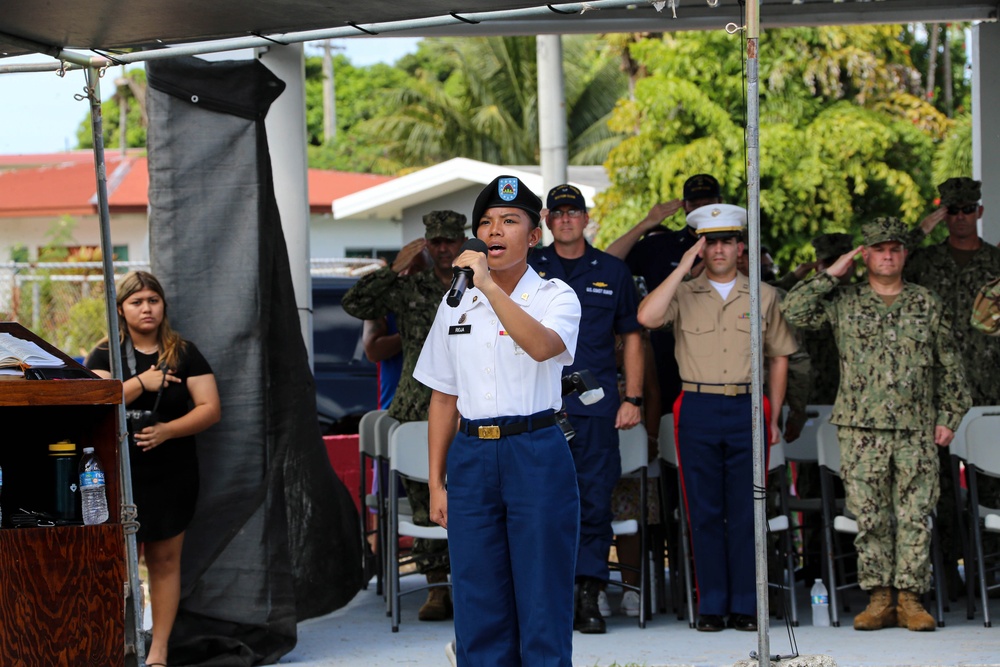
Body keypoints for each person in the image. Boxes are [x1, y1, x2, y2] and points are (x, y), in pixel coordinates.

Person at [414, 175, 581, 666]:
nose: (495, 230)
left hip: (534, 450)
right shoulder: (455, 304)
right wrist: (435, 482)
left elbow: (542, 346)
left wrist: (487, 286)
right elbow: (443, 397)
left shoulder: (555, 295)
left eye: (510, 221)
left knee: (541, 596)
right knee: (477, 597)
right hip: (472, 455)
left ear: (534, 236)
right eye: (486, 222)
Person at [782, 217, 972, 632]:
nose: (888, 255)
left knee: (915, 514)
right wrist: (831, 274)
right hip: (861, 429)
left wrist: (949, 418)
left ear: (905, 254)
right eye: (879, 248)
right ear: (864, 254)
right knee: (870, 516)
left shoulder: (926, 302)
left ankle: (910, 598)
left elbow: (951, 368)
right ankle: (878, 596)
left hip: (916, 428)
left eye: (896, 248)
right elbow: (792, 310)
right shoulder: (844, 301)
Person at [636, 204, 796, 632]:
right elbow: (647, 317)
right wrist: (683, 268)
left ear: (741, 246)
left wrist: (774, 414)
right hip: (698, 405)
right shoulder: (683, 293)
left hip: (748, 406)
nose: (720, 249)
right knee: (702, 511)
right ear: (699, 247)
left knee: (747, 510)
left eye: (727, 240)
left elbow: (779, 355)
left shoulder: (763, 294)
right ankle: (712, 605)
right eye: (711, 242)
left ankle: (746, 604)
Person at [85, 271, 221, 667]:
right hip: (120, 475)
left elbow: (211, 408)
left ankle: (158, 650)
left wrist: (167, 431)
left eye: (153, 300)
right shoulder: (105, 353)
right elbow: (98, 401)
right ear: (121, 309)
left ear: (163, 305)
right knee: (120, 564)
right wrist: (142, 382)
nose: (147, 308)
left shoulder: (183, 352)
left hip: (172, 472)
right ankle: (122, 644)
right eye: (137, 302)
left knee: (163, 561)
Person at [528, 184, 643, 633]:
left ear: (586, 217)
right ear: (547, 221)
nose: (566, 219)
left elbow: (632, 336)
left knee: (594, 503)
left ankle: (588, 595)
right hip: (537, 406)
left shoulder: (612, 271)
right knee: (541, 505)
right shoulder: (529, 269)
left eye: (573, 211)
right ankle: (549, 597)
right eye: (558, 213)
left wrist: (632, 397)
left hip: (594, 407)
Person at [341, 210, 466, 621]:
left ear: (462, 241)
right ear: (426, 245)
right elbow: (354, 303)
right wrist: (393, 270)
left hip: (474, 400)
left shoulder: (481, 286)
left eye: (451, 240)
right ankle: (435, 587)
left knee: (472, 496)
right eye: (437, 242)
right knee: (426, 499)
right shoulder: (410, 288)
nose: (445, 248)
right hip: (418, 404)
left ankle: (470, 584)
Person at [902, 177, 1000, 597]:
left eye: (966, 209)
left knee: (993, 488)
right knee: (936, 488)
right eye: (952, 210)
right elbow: (887, 258)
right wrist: (922, 227)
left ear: (979, 212)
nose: (959, 217)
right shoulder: (924, 261)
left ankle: (991, 574)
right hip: (936, 393)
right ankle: (944, 578)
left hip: (990, 388)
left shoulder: (997, 262)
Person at [605, 174, 724, 417]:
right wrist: (647, 223)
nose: (701, 208)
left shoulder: (738, 245)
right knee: (670, 425)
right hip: (667, 352)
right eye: (694, 202)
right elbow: (608, 263)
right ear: (684, 206)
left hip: (723, 352)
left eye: (708, 201)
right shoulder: (662, 245)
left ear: (720, 202)